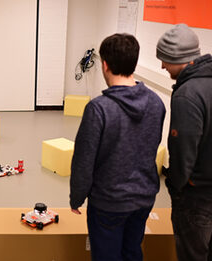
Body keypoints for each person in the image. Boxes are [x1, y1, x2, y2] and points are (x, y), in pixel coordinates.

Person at [69, 33, 166, 261]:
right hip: (144, 198)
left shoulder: (99, 109)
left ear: (104, 65)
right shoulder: (156, 103)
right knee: (132, 251)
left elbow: (84, 160)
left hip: (108, 203)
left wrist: (77, 198)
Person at [156, 23, 212, 261]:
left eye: (165, 60)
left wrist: (176, 186)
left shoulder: (187, 95)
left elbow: (183, 153)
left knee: (192, 254)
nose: (162, 66)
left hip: (196, 197)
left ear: (182, 59)